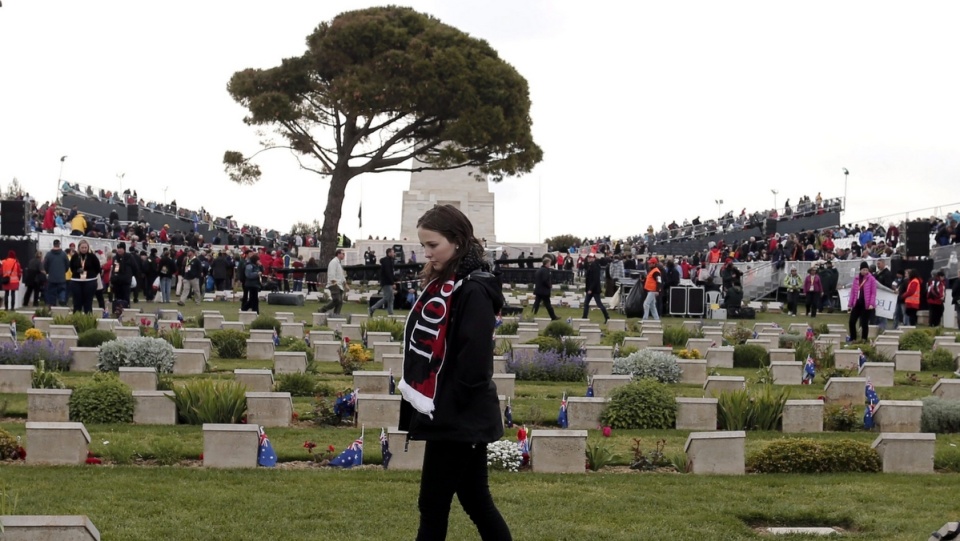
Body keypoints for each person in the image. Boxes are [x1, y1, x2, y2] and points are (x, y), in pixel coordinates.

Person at [397, 204, 511, 541]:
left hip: (459, 414)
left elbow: (474, 361)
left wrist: (450, 406)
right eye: (424, 246)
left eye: (433, 245)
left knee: (433, 505)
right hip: (454, 412)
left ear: (458, 242)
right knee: (475, 500)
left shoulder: (472, 289)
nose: (427, 253)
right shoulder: (451, 284)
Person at [68, 239, 101, 313]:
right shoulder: (75, 256)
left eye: (85, 248)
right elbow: (71, 267)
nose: (84, 249)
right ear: (79, 248)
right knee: (77, 303)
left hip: (90, 281)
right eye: (82, 247)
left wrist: (89, 273)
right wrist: (77, 271)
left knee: (88, 303)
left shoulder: (92, 256)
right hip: (76, 281)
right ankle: (76, 319)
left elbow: (98, 268)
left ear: (88, 248)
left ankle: (88, 321)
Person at [848, 261, 878, 342]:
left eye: (866, 270)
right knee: (852, 321)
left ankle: (864, 339)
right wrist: (850, 303)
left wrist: (871, 303)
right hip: (857, 303)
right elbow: (853, 292)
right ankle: (853, 338)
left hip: (866, 304)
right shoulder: (856, 279)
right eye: (863, 270)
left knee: (864, 323)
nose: (865, 271)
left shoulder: (871, 279)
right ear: (860, 270)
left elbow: (873, 293)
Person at [110, 242, 138, 316]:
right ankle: (117, 313)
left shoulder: (129, 257)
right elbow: (114, 269)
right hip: (117, 282)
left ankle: (126, 313)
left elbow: (135, 268)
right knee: (117, 298)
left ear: (124, 249)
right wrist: (113, 278)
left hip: (126, 282)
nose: (119, 250)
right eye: (118, 248)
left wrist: (130, 276)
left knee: (126, 298)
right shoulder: (115, 258)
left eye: (121, 248)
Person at [581, 253, 610, 323]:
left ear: (594, 258)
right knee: (586, 303)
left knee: (599, 304)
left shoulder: (595, 266)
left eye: (591, 257)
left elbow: (595, 279)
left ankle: (607, 316)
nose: (589, 258)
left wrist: (590, 289)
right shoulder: (590, 265)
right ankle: (584, 317)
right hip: (591, 288)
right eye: (588, 257)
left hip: (594, 289)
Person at [369, 247, 396, 316]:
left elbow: (391, 273)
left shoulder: (390, 261)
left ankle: (390, 313)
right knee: (387, 298)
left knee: (391, 298)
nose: (394, 253)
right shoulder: (386, 261)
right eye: (393, 252)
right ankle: (372, 308)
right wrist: (392, 282)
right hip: (386, 282)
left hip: (388, 282)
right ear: (389, 253)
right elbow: (388, 273)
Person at [43, 239, 70, 307]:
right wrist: (64, 271)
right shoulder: (64, 254)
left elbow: (45, 265)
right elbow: (67, 265)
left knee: (51, 292)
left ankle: (52, 305)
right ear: (59, 244)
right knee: (62, 290)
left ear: (53, 244)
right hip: (61, 277)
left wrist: (48, 271)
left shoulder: (48, 254)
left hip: (51, 277)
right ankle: (62, 299)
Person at [319, 249, 346, 316]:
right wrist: (334, 283)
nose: (344, 255)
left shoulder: (339, 263)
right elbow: (331, 274)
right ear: (338, 254)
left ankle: (336, 315)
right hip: (334, 284)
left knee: (340, 302)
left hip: (339, 285)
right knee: (337, 299)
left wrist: (345, 284)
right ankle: (323, 309)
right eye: (343, 253)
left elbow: (341, 275)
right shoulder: (333, 262)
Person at [532, 255, 559, 320]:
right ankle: (553, 317)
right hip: (544, 291)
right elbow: (545, 280)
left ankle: (531, 315)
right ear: (546, 263)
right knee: (548, 305)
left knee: (536, 304)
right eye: (549, 263)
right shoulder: (546, 270)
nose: (550, 264)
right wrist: (549, 285)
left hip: (538, 290)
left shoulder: (539, 270)